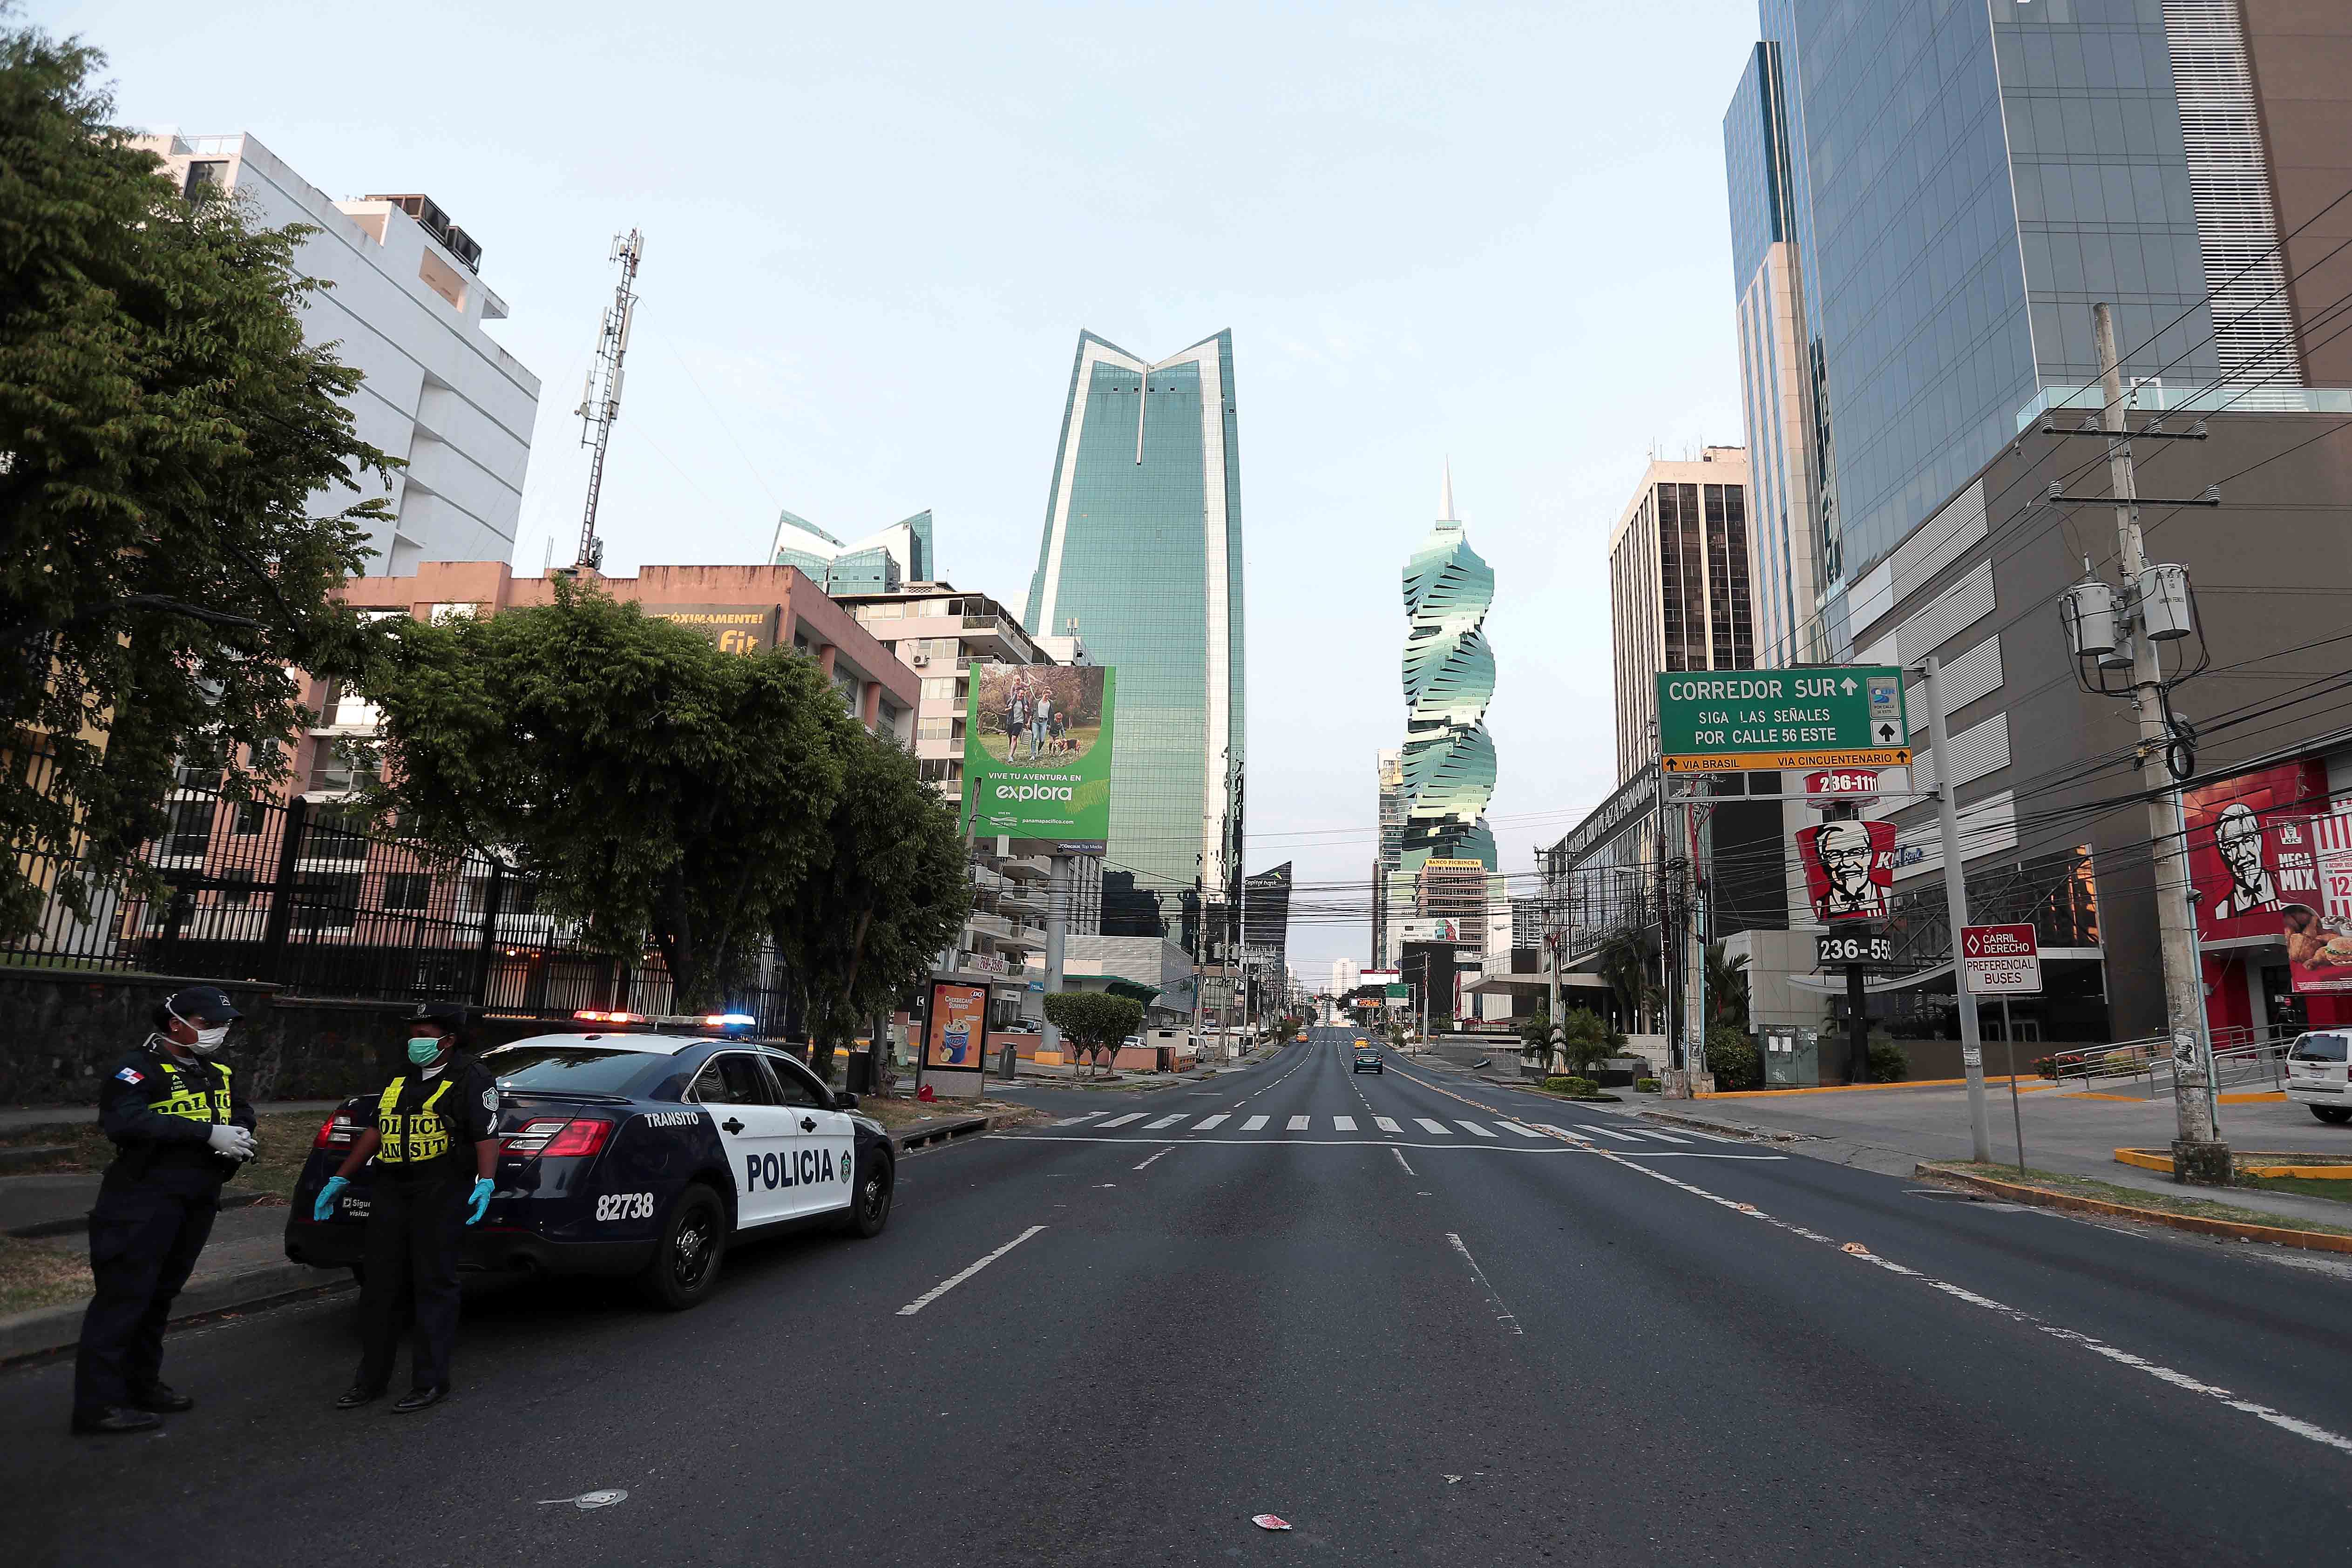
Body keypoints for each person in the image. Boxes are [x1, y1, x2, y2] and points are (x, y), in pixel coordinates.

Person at [72, 986, 257, 1435]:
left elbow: (241, 1112)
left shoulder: (216, 1071)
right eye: (210, 1023)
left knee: (159, 1297)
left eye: (223, 1024)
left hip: (196, 1198)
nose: (219, 1032)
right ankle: (98, 1405)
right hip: (141, 1200)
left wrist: (240, 1138)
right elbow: (125, 1122)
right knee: (123, 1298)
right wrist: (204, 1134)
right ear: (178, 1023)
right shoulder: (136, 1070)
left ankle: (142, 1384)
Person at [315, 1002, 497, 1413]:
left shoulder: (472, 1076)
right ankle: (370, 1380)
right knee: (380, 1285)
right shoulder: (401, 1073)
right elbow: (379, 1127)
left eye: (425, 1035)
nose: (416, 1042)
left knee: (434, 1284)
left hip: (441, 1187)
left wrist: (485, 1181)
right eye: (413, 1034)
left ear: (448, 1041)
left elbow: (486, 1134)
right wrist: (342, 1177)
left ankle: (430, 1382)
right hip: (391, 1187)